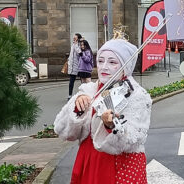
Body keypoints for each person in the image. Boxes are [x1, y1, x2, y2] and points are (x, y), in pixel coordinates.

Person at [54, 38, 152, 183]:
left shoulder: (137, 95)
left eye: (112, 62)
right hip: (88, 162)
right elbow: (63, 132)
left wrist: (111, 125)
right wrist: (77, 107)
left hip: (120, 166)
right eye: (100, 61)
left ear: (126, 66)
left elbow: (132, 140)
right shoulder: (89, 90)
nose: (104, 67)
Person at [68, 33, 82, 100]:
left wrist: (76, 45)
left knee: (83, 81)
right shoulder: (73, 45)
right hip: (72, 66)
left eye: (75, 38)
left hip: (78, 66)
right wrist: (68, 61)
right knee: (71, 81)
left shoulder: (79, 45)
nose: (74, 39)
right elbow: (71, 55)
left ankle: (84, 93)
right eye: (74, 38)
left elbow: (79, 52)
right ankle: (70, 95)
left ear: (78, 39)